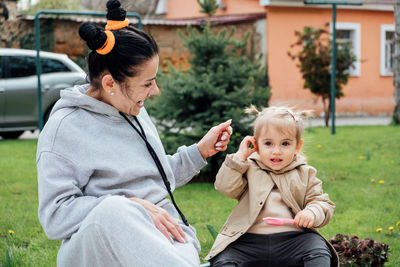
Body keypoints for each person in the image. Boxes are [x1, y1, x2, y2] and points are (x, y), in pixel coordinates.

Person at [36, 1, 232, 266]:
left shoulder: (133, 108)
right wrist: (132, 207)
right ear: (110, 84)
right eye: (147, 83)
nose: (155, 91)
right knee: (114, 209)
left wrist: (200, 152)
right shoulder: (65, 128)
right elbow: (55, 216)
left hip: (161, 236)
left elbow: (152, 177)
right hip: (95, 249)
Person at [205, 105, 339, 267]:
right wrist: (240, 157)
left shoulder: (305, 172)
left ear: (297, 146)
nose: (277, 151)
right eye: (268, 143)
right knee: (225, 258)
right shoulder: (247, 168)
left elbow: (322, 202)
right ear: (256, 144)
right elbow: (225, 186)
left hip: (293, 240)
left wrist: (312, 212)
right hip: (248, 241)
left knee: (317, 249)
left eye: (285, 144)